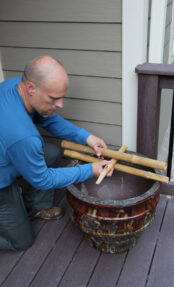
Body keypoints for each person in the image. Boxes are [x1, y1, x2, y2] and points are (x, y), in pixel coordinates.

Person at [0, 55, 112, 251]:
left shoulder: (17, 85)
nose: (60, 104)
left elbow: (47, 119)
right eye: (54, 98)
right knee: (21, 241)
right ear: (31, 88)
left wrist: (85, 137)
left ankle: (36, 206)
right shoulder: (23, 136)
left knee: (50, 152)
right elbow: (42, 180)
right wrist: (89, 170)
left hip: (8, 151)